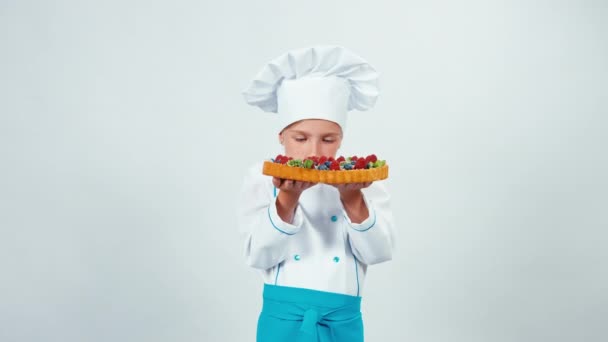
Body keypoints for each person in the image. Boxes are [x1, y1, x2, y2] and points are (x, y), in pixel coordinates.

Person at [238, 45, 396, 342]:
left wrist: (352, 201)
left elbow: (379, 253)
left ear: (341, 139)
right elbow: (258, 256)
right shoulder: (262, 177)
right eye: (300, 138)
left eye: (328, 139)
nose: (313, 151)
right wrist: (286, 201)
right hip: (284, 319)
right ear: (281, 137)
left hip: (341, 319)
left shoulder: (363, 182)